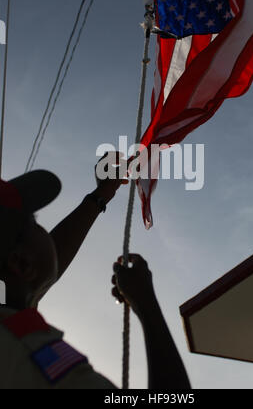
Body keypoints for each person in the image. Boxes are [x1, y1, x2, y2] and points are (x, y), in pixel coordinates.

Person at [0, 156, 191, 389]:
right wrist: (147, 305)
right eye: (34, 223)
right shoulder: (24, 351)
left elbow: (50, 257)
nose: (46, 234)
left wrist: (103, 192)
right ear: (21, 264)